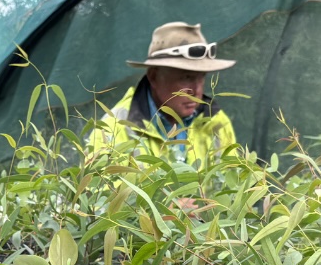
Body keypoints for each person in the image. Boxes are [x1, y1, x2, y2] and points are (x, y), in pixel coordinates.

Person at [89, 22, 237, 167]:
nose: (196, 90)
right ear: (154, 76)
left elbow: (235, 182)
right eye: (186, 78)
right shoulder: (113, 129)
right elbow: (98, 189)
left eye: (202, 77)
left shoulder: (216, 121)